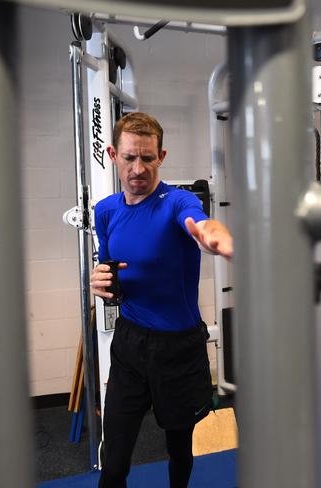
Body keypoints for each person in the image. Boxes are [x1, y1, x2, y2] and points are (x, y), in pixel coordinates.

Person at [89, 112, 233, 488]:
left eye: (148, 158)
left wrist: (212, 235)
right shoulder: (105, 211)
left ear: (161, 156)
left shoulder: (176, 202)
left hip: (178, 347)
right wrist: (103, 282)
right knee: (115, 459)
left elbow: (198, 222)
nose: (139, 168)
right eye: (130, 157)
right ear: (113, 155)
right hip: (130, 343)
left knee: (179, 450)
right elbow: (112, 270)